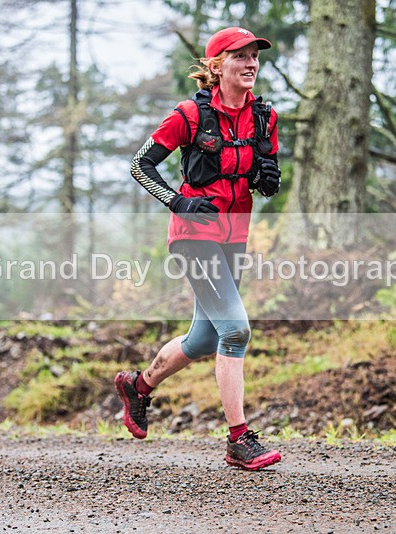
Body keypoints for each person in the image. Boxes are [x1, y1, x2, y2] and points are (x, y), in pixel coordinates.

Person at [115, 27, 282, 470]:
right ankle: (239, 439)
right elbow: (140, 164)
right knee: (236, 330)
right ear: (215, 67)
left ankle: (139, 385)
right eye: (239, 56)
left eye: (254, 56)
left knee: (206, 336)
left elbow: (265, 174)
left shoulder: (264, 117)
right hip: (194, 235)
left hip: (235, 232)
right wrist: (178, 200)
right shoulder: (190, 114)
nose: (250, 64)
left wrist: (268, 180)